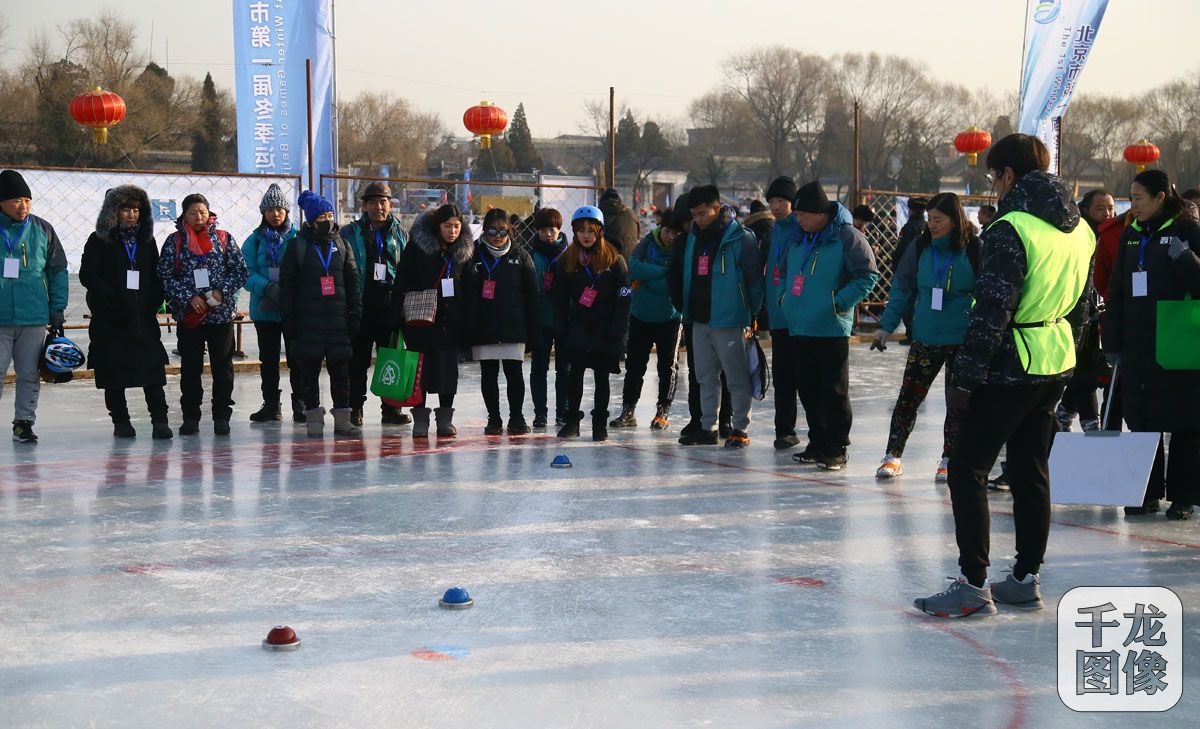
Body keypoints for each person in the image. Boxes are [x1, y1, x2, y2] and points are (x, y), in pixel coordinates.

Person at [915, 133, 1094, 618]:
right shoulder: (1080, 230)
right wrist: (1070, 354)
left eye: (994, 176)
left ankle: (973, 583)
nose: (993, 185)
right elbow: (1084, 305)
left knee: (967, 468)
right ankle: (1025, 578)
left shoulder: (1010, 228)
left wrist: (965, 379)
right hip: (1053, 358)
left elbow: (993, 309)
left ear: (1009, 175)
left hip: (1009, 364)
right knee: (1030, 469)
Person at [1104, 169, 1200, 521]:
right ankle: (1146, 492)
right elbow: (1117, 291)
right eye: (1131, 198)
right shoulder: (1131, 234)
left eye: (1139, 198)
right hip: (1137, 342)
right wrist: (1112, 340)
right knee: (1142, 419)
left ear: (1161, 197)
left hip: (1179, 341)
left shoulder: (1189, 230)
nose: (1134, 205)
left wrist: (1184, 258)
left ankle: (1184, 496)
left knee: (1186, 421)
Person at [871, 193, 980, 481]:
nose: (932, 225)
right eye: (930, 219)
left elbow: (987, 293)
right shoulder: (920, 246)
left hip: (961, 338)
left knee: (957, 402)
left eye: (938, 220)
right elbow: (901, 287)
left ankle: (949, 458)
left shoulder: (974, 248)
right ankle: (893, 455)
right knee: (908, 398)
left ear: (955, 220)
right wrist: (886, 326)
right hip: (926, 335)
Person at [783, 181, 879, 470]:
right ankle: (818, 442)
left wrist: (837, 303)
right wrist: (784, 301)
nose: (798, 217)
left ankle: (837, 446)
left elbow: (867, 276)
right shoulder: (797, 236)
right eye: (797, 213)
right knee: (808, 389)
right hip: (800, 324)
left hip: (830, 327)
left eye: (803, 213)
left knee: (833, 391)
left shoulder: (847, 236)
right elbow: (784, 273)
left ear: (821, 213)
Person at [672, 185, 763, 448]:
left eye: (701, 214)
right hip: (699, 318)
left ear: (716, 207)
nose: (697, 220)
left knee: (736, 376)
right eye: (694, 215)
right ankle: (707, 426)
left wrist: (752, 313)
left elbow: (754, 281)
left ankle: (740, 427)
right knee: (705, 377)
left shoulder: (741, 238)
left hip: (730, 319)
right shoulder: (693, 238)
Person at [79, 185, 171, 439]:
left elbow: (156, 273)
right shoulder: (99, 240)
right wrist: (111, 298)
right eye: (126, 209)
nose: (131, 215)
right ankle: (121, 421)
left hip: (142, 318)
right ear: (113, 211)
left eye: (136, 210)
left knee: (153, 372)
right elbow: (88, 274)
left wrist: (154, 299)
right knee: (113, 373)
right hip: (111, 319)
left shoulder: (146, 240)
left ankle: (160, 421)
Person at [157, 193, 248, 436]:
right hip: (190, 316)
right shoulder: (175, 241)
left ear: (209, 214)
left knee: (222, 368)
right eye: (193, 213)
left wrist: (221, 291)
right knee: (190, 368)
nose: (198, 217)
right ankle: (190, 417)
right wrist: (188, 296)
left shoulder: (224, 238)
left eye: (202, 212)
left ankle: (222, 417)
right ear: (184, 215)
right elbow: (164, 276)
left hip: (220, 316)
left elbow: (240, 271)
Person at [278, 191, 361, 438]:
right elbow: (286, 286)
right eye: (322, 216)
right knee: (309, 371)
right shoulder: (297, 246)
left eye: (330, 215)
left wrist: (355, 313)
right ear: (312, 220)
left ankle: (343, 420)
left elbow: (353, 281)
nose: (328, 220)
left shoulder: (342, 245)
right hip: (307, 321)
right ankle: (313, 419)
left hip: (338, 321)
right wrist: (288, 320)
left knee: (340, 371)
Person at [392, 204, 474, 438]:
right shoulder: (418, 247)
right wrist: (395, 313)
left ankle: (445, 419)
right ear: (437, 226)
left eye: (456, 226)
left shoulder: (464, 251)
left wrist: (469, 321)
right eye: (447, 226)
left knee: (447, 371)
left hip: (451, 320)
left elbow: (470, 286)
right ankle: (420, 419)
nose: (452, 231)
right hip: (420, 320)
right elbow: (402, 279)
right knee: (421, 371)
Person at [0, 170, 68, 443]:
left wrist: (57, 308)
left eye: (27, 200)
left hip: (34, 316)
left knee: (29, 372)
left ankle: (24, 422)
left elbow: (58, 269)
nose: (23, 206)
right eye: (17, 200)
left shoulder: (42, 229)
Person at [552, 206, 631, 441]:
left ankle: (599, 424)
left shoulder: (615, 260)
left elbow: (624, 300)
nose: (585, 235)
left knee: (601, 378)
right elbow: (559, 298)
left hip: (605, 330)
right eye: (581, 230)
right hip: (578, 328)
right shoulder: (567, 260)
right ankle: (572, 422)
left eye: (591, 230)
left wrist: (617, 332)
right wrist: (561, 328)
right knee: (574, 376)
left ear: (600, 232)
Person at [464, 208, 540, 435]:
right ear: (484, 231)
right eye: (492, 231)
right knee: (488, 374)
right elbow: (466, 293)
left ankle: (516, 417)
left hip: (513, 326)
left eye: (502, 231)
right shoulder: (473, 255)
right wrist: (468, 327)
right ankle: (494, 418)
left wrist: (533, 333)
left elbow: (532, 296)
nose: (497, 236)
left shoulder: (521, 256)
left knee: (514, 374)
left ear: (510, 231)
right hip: (483, 325)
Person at [341, 182, 409, 428]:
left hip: (390, 306)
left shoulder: (400, 234)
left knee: (391, 359)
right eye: (373, 202)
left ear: (390, 205)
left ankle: (390, 409)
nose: (378, 207)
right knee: (357, 360)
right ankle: (355, 408)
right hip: (360, 305)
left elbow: (407, 269)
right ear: (364, 205)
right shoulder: (350, 232)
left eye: (383, 202)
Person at [612, 207, 683, 430]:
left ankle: (663, 410)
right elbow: (633, 267)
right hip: (640, 315)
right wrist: (663, 271)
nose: (670, 237)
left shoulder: (682, 248)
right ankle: (628, 410)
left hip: (669, 317)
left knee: (667, 367)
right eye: (667, 231)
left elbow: (675, 284)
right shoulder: (648, 242)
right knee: (634, 366)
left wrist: (648, 277)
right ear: (661, 227)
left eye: (676, 233)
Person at [1054, 188, 1116, 432]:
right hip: (1077, 313)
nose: (1107, 213)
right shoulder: (1078, 234)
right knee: (1084, 372)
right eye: (1100, 208)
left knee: (1089, 370)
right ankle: (1090, 423)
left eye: (1111, 208)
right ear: (1085, 210)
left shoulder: (1114, 235)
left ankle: (1064, 413)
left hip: (1100, 312)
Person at [242, 184, 303, 424]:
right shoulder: (254, 241)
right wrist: (267, 288)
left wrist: (288, 291)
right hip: (264, 310)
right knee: (268, 360)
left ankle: (300, 403)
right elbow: (246, 272)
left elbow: (307, 269)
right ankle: (271, 405)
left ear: (286, 211)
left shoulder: (298, 238)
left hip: (294, 309)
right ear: (263, 213)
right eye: (270, 210)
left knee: (297, 358)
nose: (275, 214)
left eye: (279, 209)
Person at [761, 176, 804, 450]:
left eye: (781, 201)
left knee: (805, 377)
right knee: (782, 377)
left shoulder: (801, 228)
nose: (775, 207)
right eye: (772, 201)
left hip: (799, 316)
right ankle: (784, 430)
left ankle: (821, 433)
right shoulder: (774, 229)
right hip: (778, 315)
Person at [527, 207, 570, 429]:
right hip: (540, 320)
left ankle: (563, 411)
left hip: (565, 320)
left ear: (559, 229)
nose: (548, 233)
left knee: (565, 369)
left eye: (552, 229)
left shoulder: (570, 254)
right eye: (543, 229)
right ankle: (540, 413)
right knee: (538, 368)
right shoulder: (530, 254)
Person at [894, 197, 928, 345]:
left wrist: (897, 265)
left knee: (908, 304)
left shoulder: (909, 227)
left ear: (911, 210)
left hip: (910, 271)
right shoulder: (926, 226)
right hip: (924, 270)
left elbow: (903, 250)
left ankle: (911, 334)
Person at [597, 188, 641, 259]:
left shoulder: (598, 214)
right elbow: (638, 235)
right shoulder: (632, 214)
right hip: (632, 259)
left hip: (608, 260)